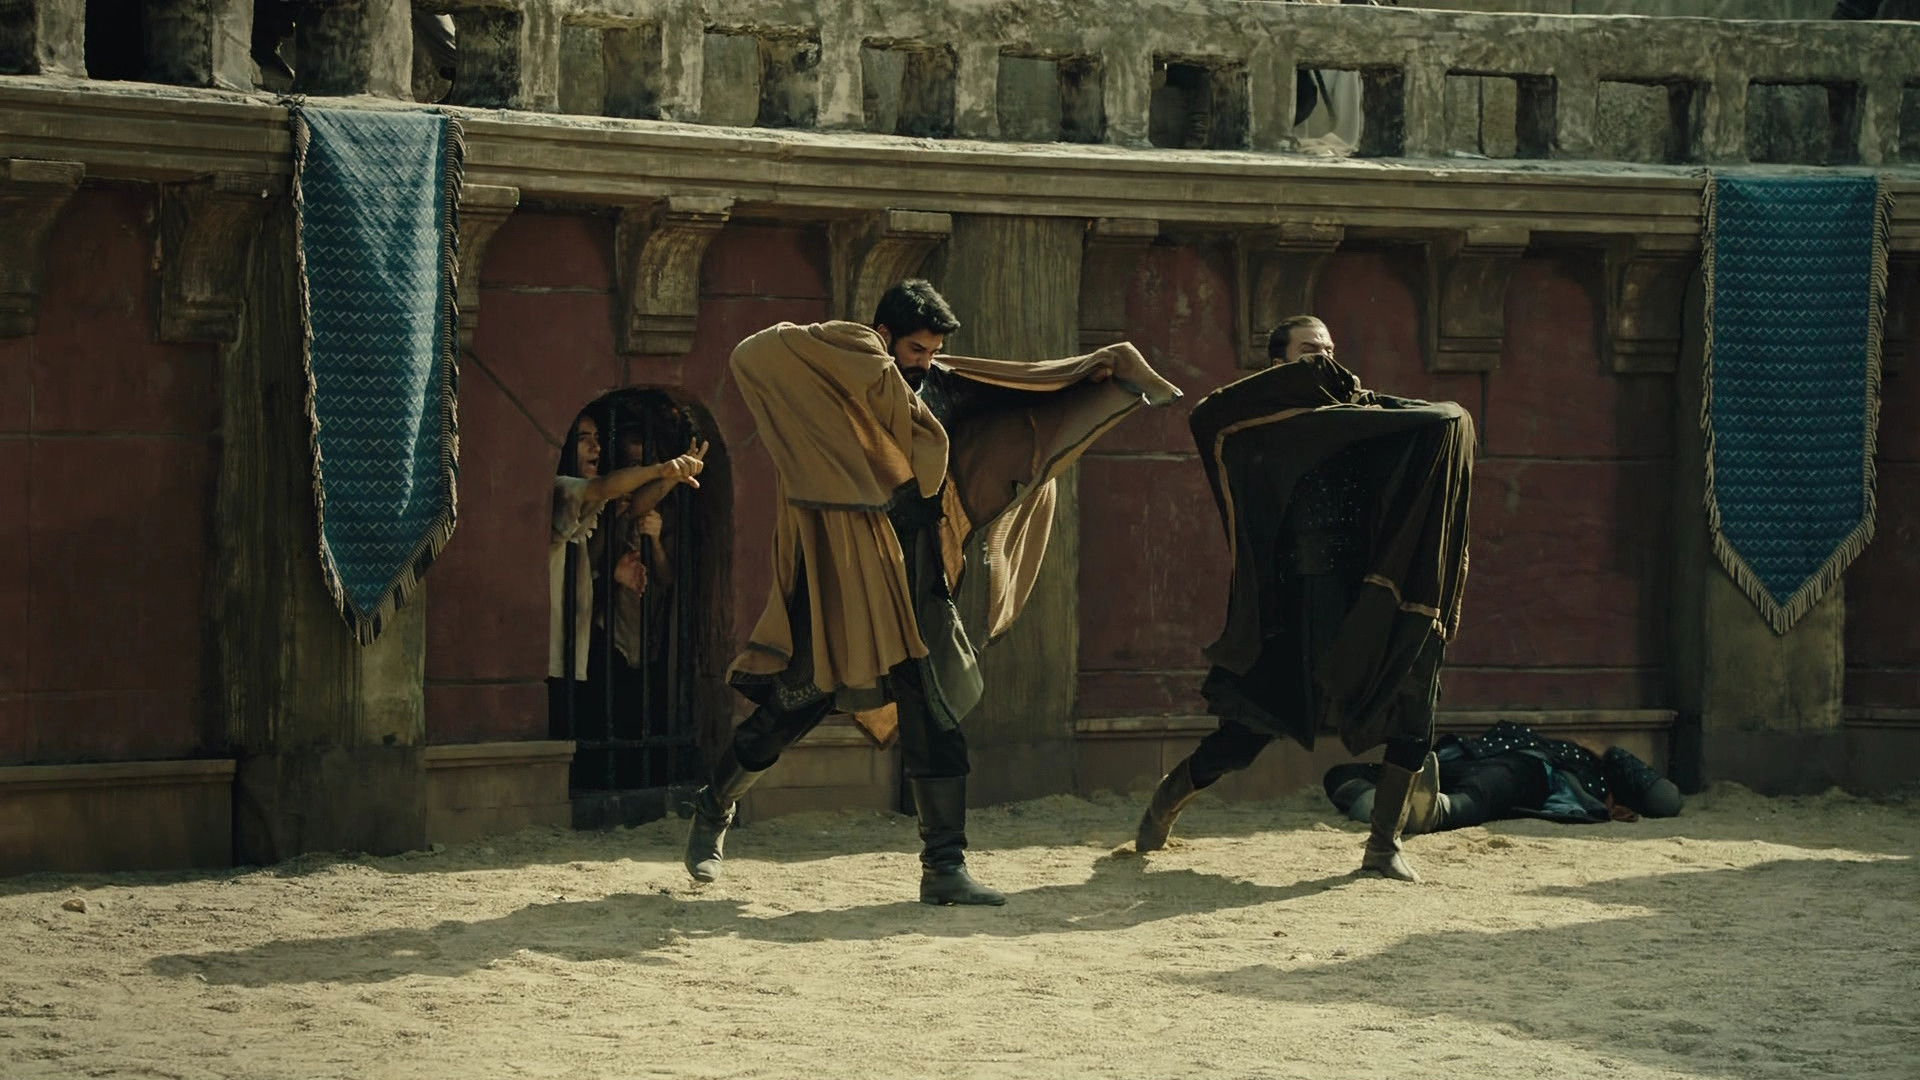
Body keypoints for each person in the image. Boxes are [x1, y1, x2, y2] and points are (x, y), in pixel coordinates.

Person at [684, 279, 1182, 905]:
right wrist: (852, 343)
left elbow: (1024, 391)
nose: (924, 361)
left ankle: (943, 867)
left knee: (936, 716)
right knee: (791, 708)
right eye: (915, 349)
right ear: (884, 336)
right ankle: (715, 806)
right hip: (843, 583)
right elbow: (753, 354)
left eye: (933, 350)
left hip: (918, 586)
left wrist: (1096, 372)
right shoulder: (836, 383)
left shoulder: (941, 387)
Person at [1134, 314, 1475, 882]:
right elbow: (1208, 417)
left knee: (1414, 700)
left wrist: (1442, 418)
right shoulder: (1263, 424)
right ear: (1279, 362)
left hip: (1370, 590)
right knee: (1251, 730)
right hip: (1298, 599)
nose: (1326, 359)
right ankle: (1168, 798)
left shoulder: (1365, 413)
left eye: (1330, 349)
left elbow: (1442, 418)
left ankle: (1383, 846)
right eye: (1310, 350)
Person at [549, 408, 705, 688]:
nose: (596, 447)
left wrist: (670, 477)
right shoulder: (565, 491)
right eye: (584, 439)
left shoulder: (657, 511)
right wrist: (662, 471)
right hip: (593, 641)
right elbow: (605, 490)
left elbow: (634, 506)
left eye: (597, 438)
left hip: (631, 642)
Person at [1322, 722, 1683, 832]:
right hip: (1461, 757)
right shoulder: (1513, 736)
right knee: (1342, 773)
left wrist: (1607, 753)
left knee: (1485, 790)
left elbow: (1666, 799)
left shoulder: (1578, 765)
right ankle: (1379, 806)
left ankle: (1434, 813)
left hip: (1525, 769)